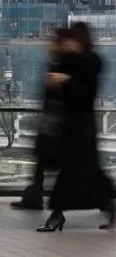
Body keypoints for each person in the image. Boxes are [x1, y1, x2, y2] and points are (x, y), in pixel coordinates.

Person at [37, 22, 116, 232]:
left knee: (76, 171)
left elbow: (86, 94)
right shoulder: (67, 61)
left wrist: (65, 81)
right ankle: (107, 204)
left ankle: (57, 214)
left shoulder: (91, 62)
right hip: (68, 125)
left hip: (82, 126)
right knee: (85, 172)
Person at [11, 30, 65, 210]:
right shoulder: (55, 63)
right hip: (52, 123)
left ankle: (36, 197)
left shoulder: (63, 65)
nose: (47, 45)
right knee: (42, 162)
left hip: (56, 124)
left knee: (49, 162)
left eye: (52, 41)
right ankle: (34, 196)